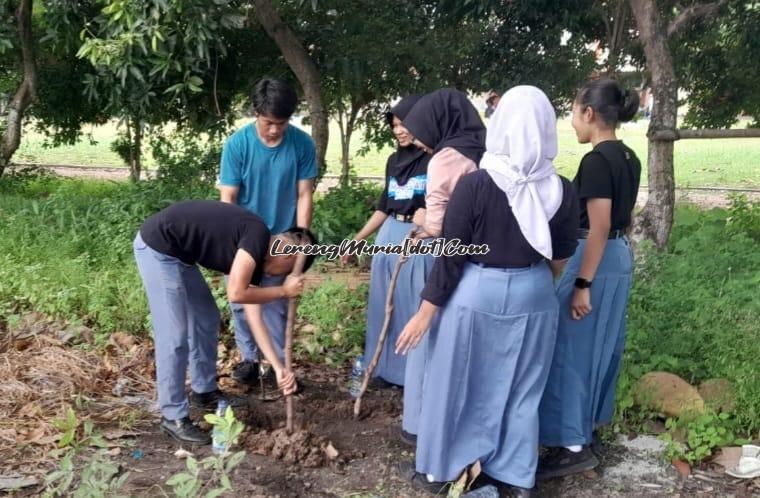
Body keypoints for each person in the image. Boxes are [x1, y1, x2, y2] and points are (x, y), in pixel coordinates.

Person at [395, 86, 579, 497]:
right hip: (535, 291)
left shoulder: (477, 184)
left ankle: (445, 468)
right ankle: (514, 476)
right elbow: (561, 258)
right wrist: (531, 284)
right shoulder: (562, 189)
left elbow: (451, 255)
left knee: (457, 382)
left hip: (475, 290)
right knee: (521, 389)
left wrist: (425, 312)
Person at [133, 200, 316, 444]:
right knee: (174, 334)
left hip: (181, 256)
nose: (280, 276)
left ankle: (204, 391)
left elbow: (254, 316)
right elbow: (237, 293)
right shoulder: (257, 236)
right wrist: (283, 291)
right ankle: (172, 415)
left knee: (207, 317)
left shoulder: (258, 257)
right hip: (159, 248)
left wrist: (279, 366)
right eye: (287, 269)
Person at [537, 79, 641, 479]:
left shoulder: (596, 161)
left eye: (574, 113)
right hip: (617, 258)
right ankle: (585, 430)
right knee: (602, 347)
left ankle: (572, 445)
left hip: (594, 258)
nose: (572, 124)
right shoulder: (629, 156)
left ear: (589, 114)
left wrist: (581, 284)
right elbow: (619, 223)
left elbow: (596, 227)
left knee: (571, 350)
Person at [218, 77, 317, 388]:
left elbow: (304, 195)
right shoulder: (238, 145)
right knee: (241, 302)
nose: (275, 129)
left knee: (275, 305)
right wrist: (233, 245)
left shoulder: (302, 144)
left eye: (282, 122)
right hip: (244, 240)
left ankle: (277, 367)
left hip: (281, 243)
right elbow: (228, 199)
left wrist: (301, 241)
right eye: (269, 122)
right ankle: (249, 360)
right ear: (255, 112)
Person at [341, 95, 434, 389]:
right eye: (394, 125)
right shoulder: (393, 161)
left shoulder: (434, 159)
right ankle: (381, 367)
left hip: (420, 239)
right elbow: (384, 207)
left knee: (413, 302)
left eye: (404, 123)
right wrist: (357, 240)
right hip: (390, 234)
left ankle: (414, 374)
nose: (399, 130)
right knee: (384, 303)